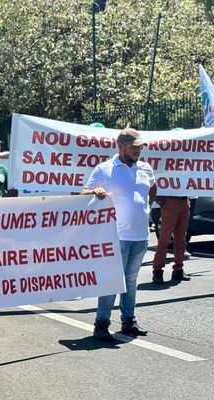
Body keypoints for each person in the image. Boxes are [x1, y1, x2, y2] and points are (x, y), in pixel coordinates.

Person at [81, 128, 157, 342]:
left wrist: (146, 208)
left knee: (131, 280)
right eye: (134, 146)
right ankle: (101, 323)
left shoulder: (145, 168)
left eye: (140, 146)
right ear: (121, 146)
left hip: (141, 236)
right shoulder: (105, 169)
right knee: (112, 279)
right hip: (117, 235)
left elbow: (153, 187)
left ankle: (128, 321)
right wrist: (95, 192)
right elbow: (84, 193)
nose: (138, 150)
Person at [152, 127, 191, 284]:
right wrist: (159, 196)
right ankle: (158, 271)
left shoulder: (188, 157)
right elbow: (156, 176)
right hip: (171, 201)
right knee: (165, 238)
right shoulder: (165, 158)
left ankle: (178, 270)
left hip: (183, 201)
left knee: (181, 240)